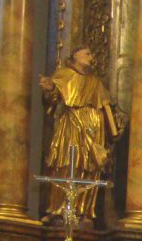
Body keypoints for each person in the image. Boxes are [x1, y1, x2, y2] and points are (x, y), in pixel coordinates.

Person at [40, 46, 117, 221]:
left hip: (93, 129)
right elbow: (53, 100)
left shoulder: (95, 82)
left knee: (88, 167)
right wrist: (50, 89)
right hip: (71, 125)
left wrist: (111, 128)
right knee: (66, 163)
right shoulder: (63, 74)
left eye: (91, 54)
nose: (91, 57)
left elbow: (105, 107)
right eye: (87, 54)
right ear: (75, 55)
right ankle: (59, 209)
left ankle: (82, 210)